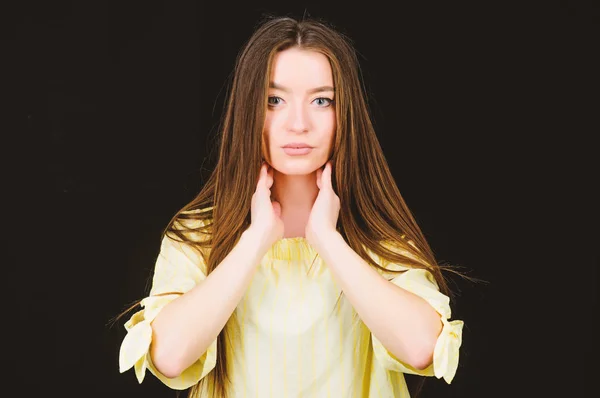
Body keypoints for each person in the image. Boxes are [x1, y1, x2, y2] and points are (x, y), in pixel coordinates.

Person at [116, 14, 465, 398]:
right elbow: (169, 355)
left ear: (343, 113)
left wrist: (327, 239)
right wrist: (256, 239)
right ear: (249, 110)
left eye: (321, 100)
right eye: (274, 100)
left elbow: (422, 349)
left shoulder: (377, 237)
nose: (298, 124)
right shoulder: (200, 234)